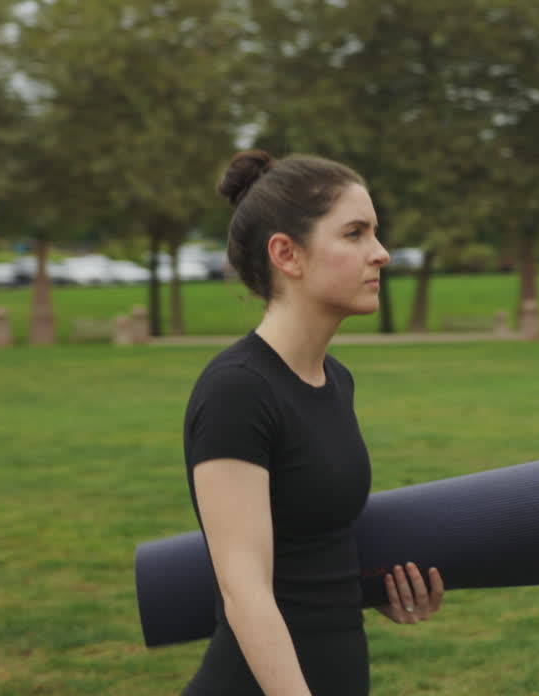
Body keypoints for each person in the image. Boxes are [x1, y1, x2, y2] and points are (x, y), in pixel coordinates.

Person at [181, 150, 445, 696]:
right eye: (355, 233)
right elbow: (246, 591)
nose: (381, 253)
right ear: (287, 254)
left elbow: (314, 543)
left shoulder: (335, 379)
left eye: (375, 233)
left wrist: (372, 588)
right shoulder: (237, 391)